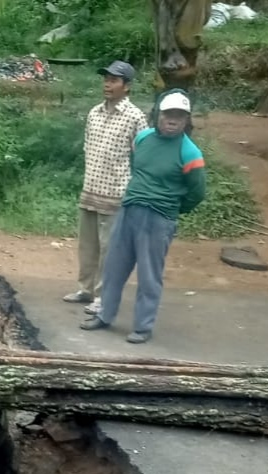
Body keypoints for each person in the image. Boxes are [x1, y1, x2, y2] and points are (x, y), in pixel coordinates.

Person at [80, 89, 206, 344]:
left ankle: (143, 327)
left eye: (179, 116)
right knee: (114, 267)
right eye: (168, 113)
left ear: (186, 120)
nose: (172, 119)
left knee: (149, 276)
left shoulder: (190, 153)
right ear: (158, 115)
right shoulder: (143, 139)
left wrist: (173, 209)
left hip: (159, 218)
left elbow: (197, 192)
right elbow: (138, 168)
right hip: (128, 210)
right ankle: (104, 315)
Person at [63, 60, 149, 315]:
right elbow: (88, 148)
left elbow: (142, 157)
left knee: (109, 250)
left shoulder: (135, 117)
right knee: (87, 245)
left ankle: (103, 297)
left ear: (127, 86)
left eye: (113, 80)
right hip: (91, 189)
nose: (107, 84)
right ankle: (85, 289)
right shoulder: (94, 113)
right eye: (106, 79)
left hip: (116, 194)